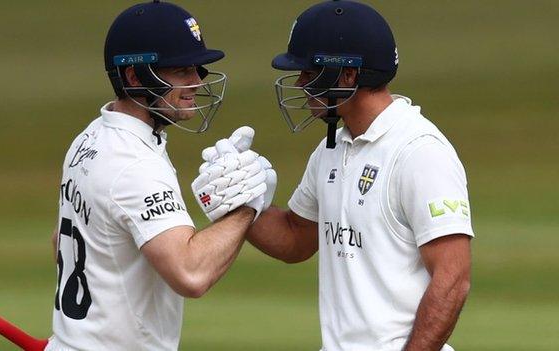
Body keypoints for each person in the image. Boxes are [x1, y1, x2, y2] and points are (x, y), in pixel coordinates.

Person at [201, 1, 474, 350]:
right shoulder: (332, 148)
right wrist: (240, 206)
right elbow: (295, 239)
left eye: (310, 71)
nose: (300, 83)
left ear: (348, 75)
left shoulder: (419, 151)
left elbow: (453, 279)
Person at [46, 1, 272, 350]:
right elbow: (191, 274)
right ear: (134, 76)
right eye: (181, 69)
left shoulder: (90, 138)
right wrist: (246, 207)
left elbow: (62, 242)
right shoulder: (135, 164)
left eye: (197, 68)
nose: (197, 81)